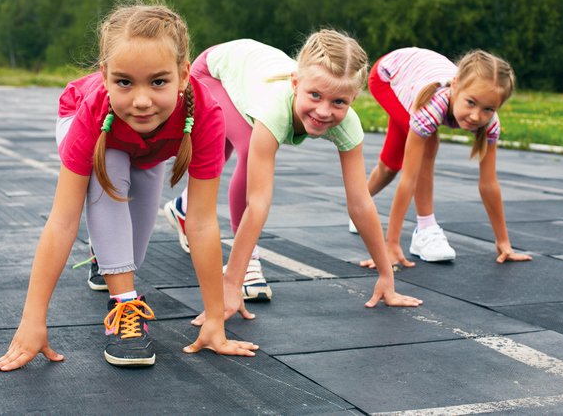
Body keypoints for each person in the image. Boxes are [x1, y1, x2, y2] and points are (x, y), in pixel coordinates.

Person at [0, 4, 257, 371]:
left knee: (129, 255)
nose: (142, 100)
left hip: (146, 152)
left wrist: (214, 319)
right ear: (105, 76)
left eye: (158, 82)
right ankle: (124, 307)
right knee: (111, 168)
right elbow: (63, 221)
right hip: (98, 130)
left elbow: (201, 223)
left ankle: (105, 260)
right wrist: (33, 320)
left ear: (182, 76)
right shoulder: (96, 106)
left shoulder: (206, 115)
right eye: (125, 82)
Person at [164, 31, 423, 325]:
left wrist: (385, 274)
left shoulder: (348, 124)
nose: (324, 111)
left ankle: (183, 208)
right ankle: (249, 263)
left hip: (247, 74)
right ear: (296, 83)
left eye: (339, 102)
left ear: (353, 98)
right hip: (214, 72)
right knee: (247, 147)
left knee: (226, 146)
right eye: (315, 96)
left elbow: (361, 203)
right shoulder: (273, 109)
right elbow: (258, 202)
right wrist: (233, 284)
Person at [356, 47, 532, 268]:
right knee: (427, 142)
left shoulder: (490, 123)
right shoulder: (432, 107)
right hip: (387, 76)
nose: (477, 115)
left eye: (488, 108)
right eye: (470, 102)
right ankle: (425, 230)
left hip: (414, 76)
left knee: (391, 165)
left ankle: (358, 206)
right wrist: (390, 245)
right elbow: (409, 180)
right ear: (456, 85)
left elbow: (489, 183)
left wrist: (504, 242)